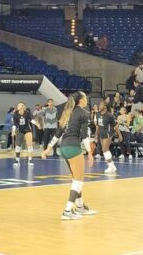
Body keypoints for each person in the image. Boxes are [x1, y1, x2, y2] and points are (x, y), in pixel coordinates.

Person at [41, 91, 97, 220]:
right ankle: (67, 211)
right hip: (73, 148)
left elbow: (57, 134)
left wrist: (47, 149)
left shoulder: (66, 113)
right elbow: (84, 135)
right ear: (81, 100)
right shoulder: (84, 113)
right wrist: (89, 152)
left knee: (76, 178)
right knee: (78, 181)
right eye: (85, 97)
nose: (87, 99)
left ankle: (80, 207)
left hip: (64, 148)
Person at [96, 100, 121, 174]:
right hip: (101, 133)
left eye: (101, 105)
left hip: (108, 133)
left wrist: (119, 135)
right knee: (104, 150)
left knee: (104, 149)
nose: (99, 106)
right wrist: (96, 135)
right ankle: (112, 166)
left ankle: (111, 166)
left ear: (105, 107)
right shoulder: (97, 114)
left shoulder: (109, 115)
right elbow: (98, 126)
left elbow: (115, 126)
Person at [11, 102, 37, 167]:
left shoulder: (27, 113)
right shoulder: (15, 114)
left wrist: (37, 124)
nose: (19, 106)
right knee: (17, 146)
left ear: (23, 107)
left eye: (21, 105)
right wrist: (13, 131)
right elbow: (14, 124)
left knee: (29, 145)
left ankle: (30, 160)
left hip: (27, 130)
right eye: (18, 105)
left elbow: (31, 120)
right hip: (20, 130)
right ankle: (17, 161)